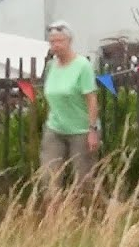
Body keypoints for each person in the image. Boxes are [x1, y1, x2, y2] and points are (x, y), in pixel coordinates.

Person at [40, 20, 101, 193]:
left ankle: (90, 207)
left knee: (83, 181)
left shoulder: (82, 66)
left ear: (69, 41)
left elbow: (91, 99)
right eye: (52, 42)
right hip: (55, 128)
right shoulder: (51, 66)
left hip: (81, 130)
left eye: (60, 41)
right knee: (48, 178)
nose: (55, 45)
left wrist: (92, 130)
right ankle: (53, 209)